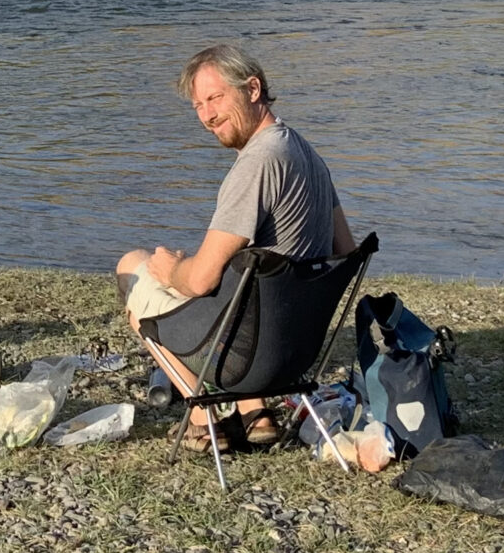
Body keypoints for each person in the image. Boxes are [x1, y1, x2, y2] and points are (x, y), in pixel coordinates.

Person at [116, 44, 356, 451]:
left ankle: (203, 413)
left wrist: (170, 267)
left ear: (253, 89)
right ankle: (255, 412)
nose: (207, 115)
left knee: (134, 264)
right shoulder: (307, 154)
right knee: (238, 287)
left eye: (215, 98)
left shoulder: (258, 162)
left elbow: (201, 278)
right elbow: (345, 251)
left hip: (248, 356)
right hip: (297, 351)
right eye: (198, 105)